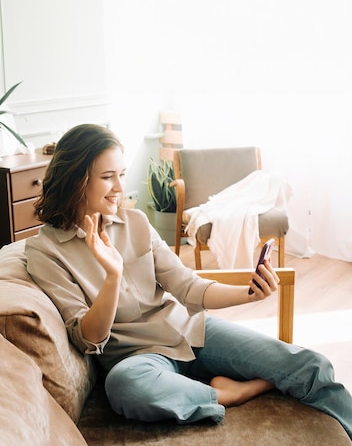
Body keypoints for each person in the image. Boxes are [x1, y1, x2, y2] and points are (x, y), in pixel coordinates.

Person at [25, 124, 352, 439]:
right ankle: (229, 393)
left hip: (190, 331)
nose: (120, 188)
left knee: (311, 365)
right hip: (138, 360)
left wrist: (249, 295)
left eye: (121, 175)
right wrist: (113, 277)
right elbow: (89, 339)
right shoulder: (45, 251)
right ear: (75, 180)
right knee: (125, 389)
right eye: (108, 177)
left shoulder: (136, 222)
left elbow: (188, 286)